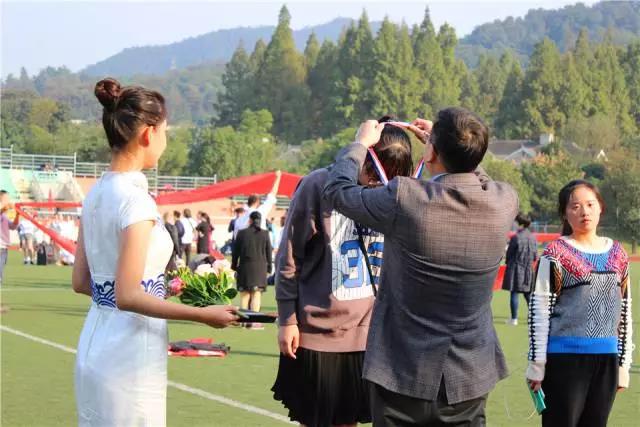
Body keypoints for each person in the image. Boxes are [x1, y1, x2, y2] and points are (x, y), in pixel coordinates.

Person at [323, 108, 518, 426]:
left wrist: (359, 144)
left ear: (430, 152)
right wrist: (458, 149)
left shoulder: (406, 198)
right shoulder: (504, 200)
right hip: (469, 375)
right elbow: (478, 179)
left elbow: (337, 192)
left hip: (401, 372)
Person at [73, 78, 238, 426]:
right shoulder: (135, 201)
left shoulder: (96, 194)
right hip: (128, 353)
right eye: (165, 131)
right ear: (148, 134)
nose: (165, 140)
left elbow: (83, 282)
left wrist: (160, 290)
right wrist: (202, 315)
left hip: (96, 342)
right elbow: (128, 295)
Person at [273, 118, 414, 427]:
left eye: (391, 175)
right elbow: (290, 256)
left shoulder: (398, 194)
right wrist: (287, 319)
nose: (378, 183)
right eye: (374, 172)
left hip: (370, 337)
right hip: (318, 333)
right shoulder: (317, 185)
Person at [526, 180, 632, 427]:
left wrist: (623, 364)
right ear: (564, 213)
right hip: (564, 360)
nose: (584, 211)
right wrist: (537, 364)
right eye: (575, 206)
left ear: (600, 208)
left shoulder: (618, 254)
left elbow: (625, 311)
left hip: (606, 360)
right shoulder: (555, 253)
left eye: (590, 204)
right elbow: (540, 311)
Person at [232, 211, 272, 321]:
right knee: (256, 294)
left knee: (244, 295)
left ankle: (244, 320)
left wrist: (234, 266)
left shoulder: (241, 233)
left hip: (245, 267)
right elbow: (268, 252)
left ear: (249, 220)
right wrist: (269, 268)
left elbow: (235, 252)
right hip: (260, 268)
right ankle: (254, 320)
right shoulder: (265, 233)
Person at [502, 213, 538, 325]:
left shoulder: (516, 237)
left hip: (516, 268)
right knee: (528, 295)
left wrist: (508, 263)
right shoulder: (533, 238)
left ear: (520, 224)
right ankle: (533, 318)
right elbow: (535, 256)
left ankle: (514, 319)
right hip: (528, 269)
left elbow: (509, 254)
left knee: (514, 293)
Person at [233, 171, 282, 239]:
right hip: (259, 243)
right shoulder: (260, 212)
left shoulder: (239, 219)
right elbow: (272, 194)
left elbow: (236, 237)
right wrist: (278, 177)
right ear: (257, 202)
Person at [0, 190, 20, 287]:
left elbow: (13, 226)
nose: (8, 200)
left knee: (1, 269)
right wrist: (5, 207)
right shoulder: (2, 211)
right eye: (6, 198)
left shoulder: (4, 215)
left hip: (4, 246)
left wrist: (17, 215)